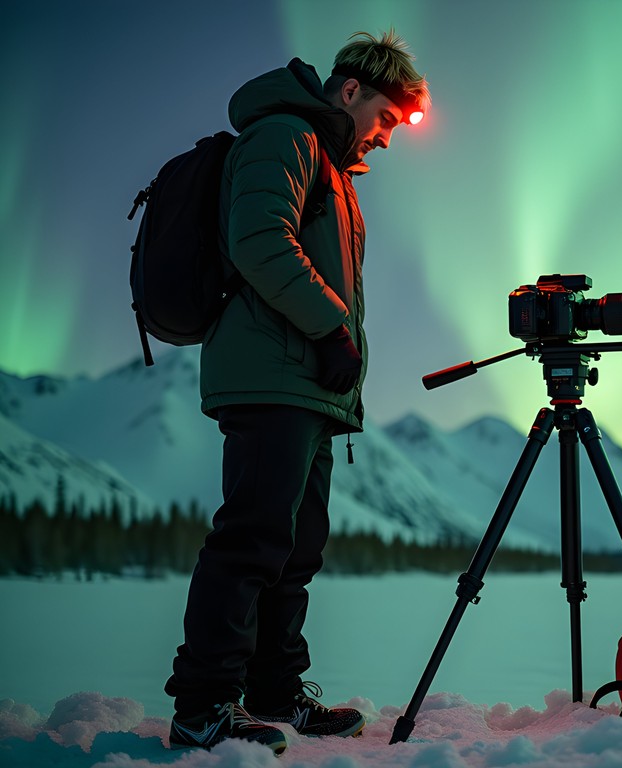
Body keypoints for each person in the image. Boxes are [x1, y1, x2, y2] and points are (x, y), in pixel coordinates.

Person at [164, 30, 430, 754]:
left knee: (295, 547)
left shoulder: (335, 174)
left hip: (307, 383)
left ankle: (276, 693)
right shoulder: (285, 136)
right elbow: (259, 239)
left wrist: (331, 349)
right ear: (350, 92)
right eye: (384, 119)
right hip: (271, 374)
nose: (385, 138)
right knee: (253, 539)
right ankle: (203, 705)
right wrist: (331, 330)